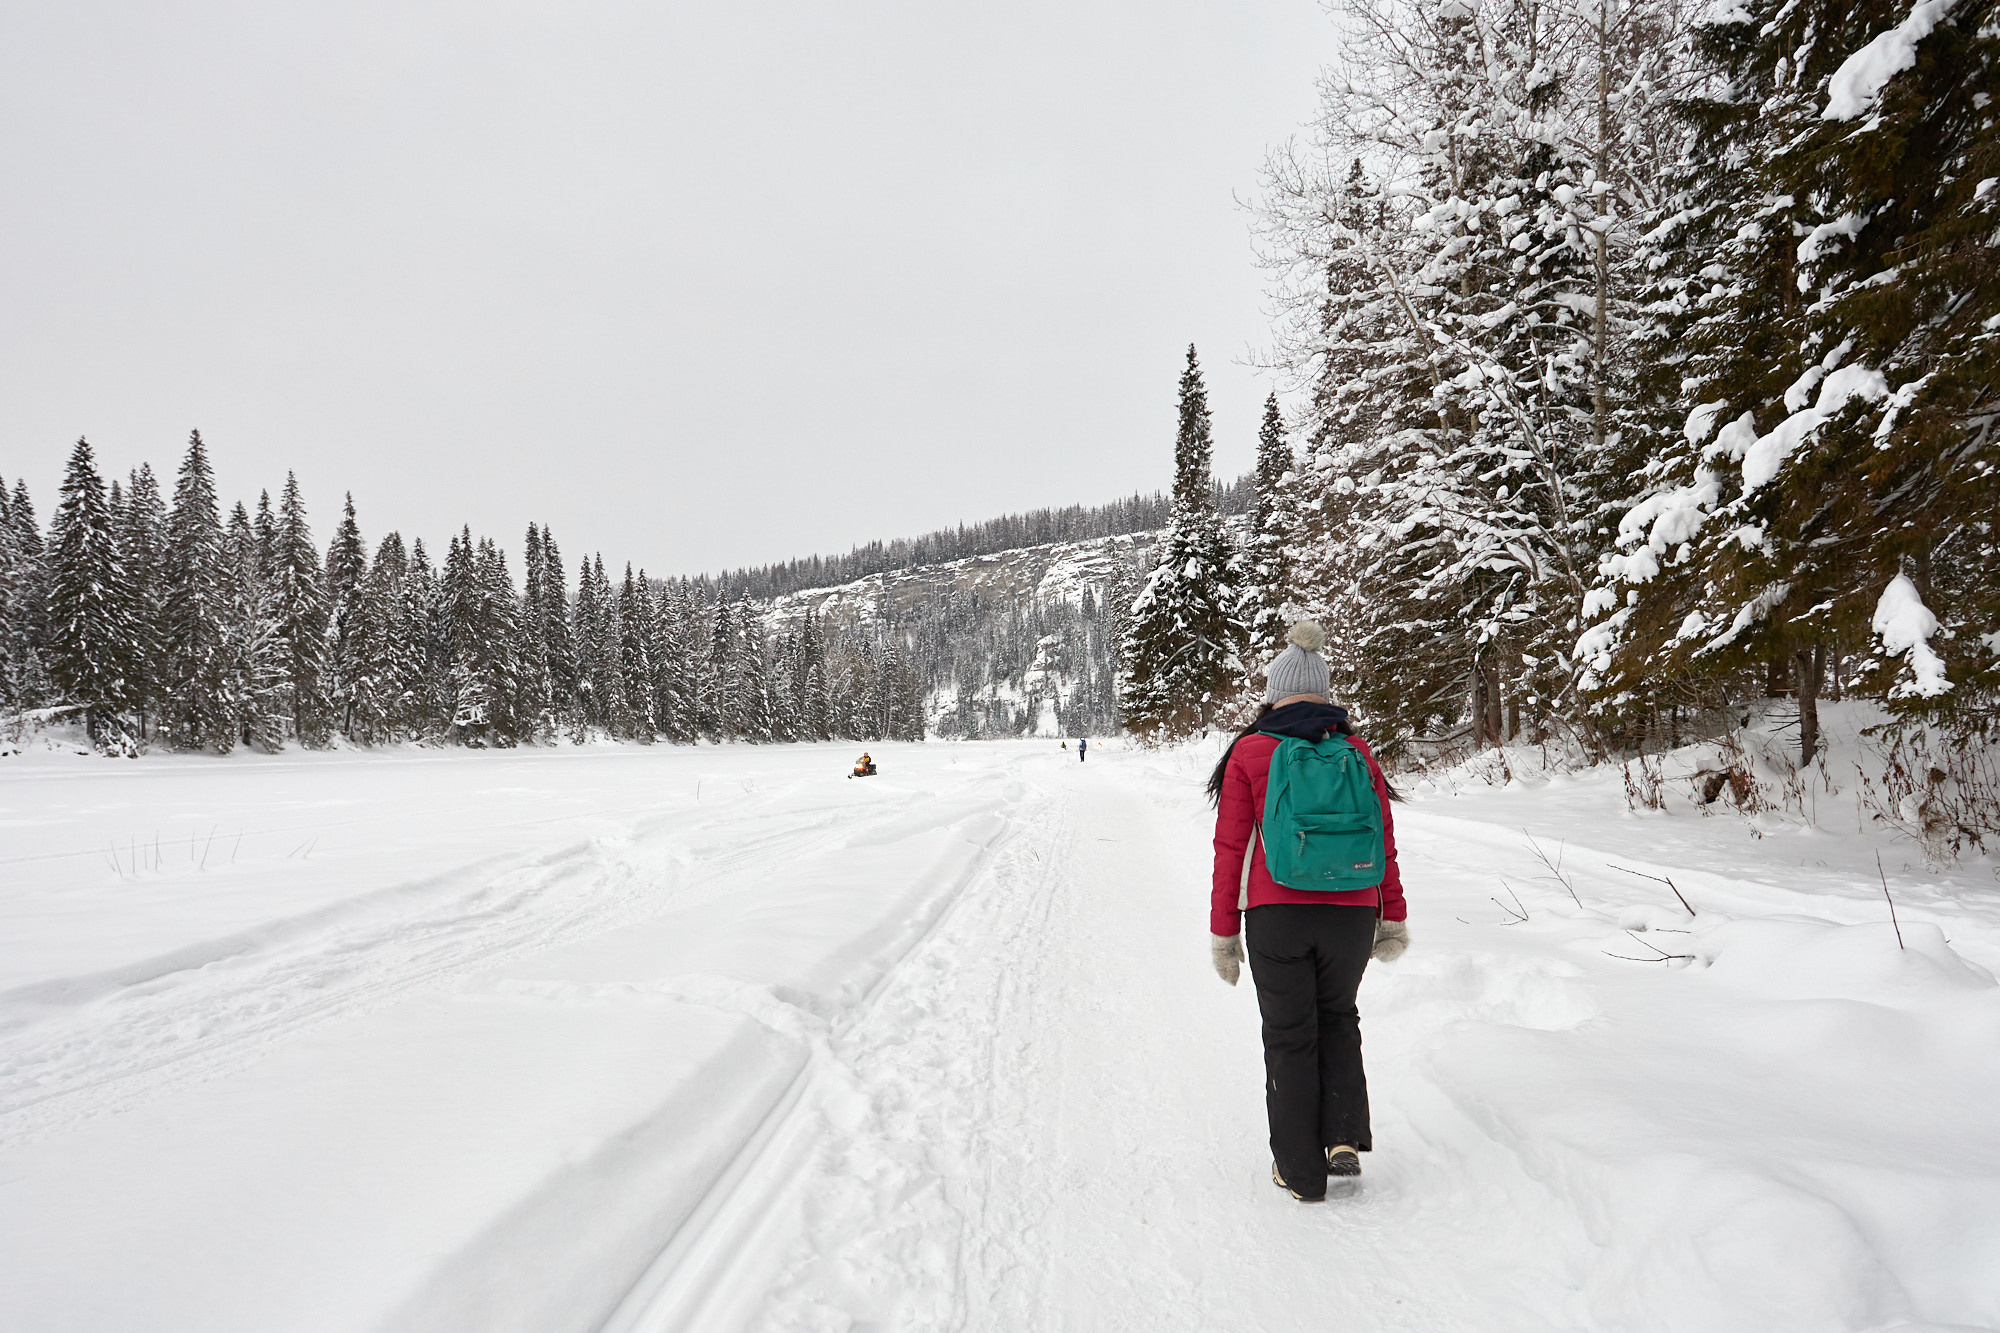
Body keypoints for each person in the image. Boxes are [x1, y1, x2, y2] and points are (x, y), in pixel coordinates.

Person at [1207, 619, 1408, 1203]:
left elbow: (1231, 850)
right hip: (1351, 911)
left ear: (1272, 692)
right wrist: (1391, 915)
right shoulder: (1355, 750)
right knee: (1338, 1016)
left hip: (1277, 915)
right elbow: (1383, 840)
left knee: (1290, 1034)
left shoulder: (1250, 751)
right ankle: (1342, 1137)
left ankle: (1299, 1170)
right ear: (1325, 692)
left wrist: (1224, 933)